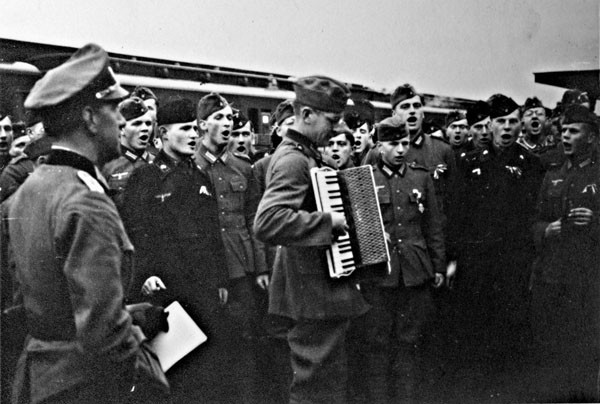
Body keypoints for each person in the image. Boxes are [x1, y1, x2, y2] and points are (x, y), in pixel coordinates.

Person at [8, 43, 168, 404]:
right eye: (113, 108)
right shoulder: (87, 202)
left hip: (43, 377)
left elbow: (54, 300)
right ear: (90, 118)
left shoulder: (34, 187)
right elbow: (103, 334)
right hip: (87, 384)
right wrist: (151, 376)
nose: (122, 120)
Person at [254, 75, 369, 404]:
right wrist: (327, 222)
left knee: (325, 384)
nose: (335, 130)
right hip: (311, 292)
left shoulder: (306, 154)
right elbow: (268, 221)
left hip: (318, 290)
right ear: (306, 115)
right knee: (315, 388)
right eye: (331, 121)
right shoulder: (293, 160)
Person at [122, 96, 236, 403]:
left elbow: (212, 234)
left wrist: (221, 279)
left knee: (206, 368)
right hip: (165, 289)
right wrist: (143, 275)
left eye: (194, 129)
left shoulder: (198, 176)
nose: (193, 135)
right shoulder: (145, 178)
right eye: (184, 129)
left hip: (202, 287)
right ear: (162, 136)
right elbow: (133, 232)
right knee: (175, 374)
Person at [356, 116, 445, 404]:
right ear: (379, 145)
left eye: (405, 143)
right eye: (393, 144)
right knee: (377, 345)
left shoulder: (421, 176)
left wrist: (439, 266)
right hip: (379, 274)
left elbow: (433, 225)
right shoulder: (364, 178)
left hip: (415, 272)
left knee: (409, 343)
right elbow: (358, 231)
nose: (400, 150)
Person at [452, 94, 543, 358]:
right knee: (474, 327)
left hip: (512, 262)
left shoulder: (532, 165)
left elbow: (532, 215)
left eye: (513, 121)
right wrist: (454, 258)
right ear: (490, 125)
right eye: (501, 121)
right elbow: (458, 214)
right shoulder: (469, 162)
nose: (506, 127)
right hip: (475, 261)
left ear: (520, 126)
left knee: (507, 330)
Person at [529, 105, 600, 402]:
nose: (566, 137)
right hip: (552, 277)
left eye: (574, 131)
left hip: (587, 280)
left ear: (592, 137)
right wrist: (546, 230)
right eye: (564, 131)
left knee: (583, 355)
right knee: (550, 352)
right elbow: (534, 222)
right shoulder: (552, 176)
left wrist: (596, 223)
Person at [102, 96, 155, 209]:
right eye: (137, 124)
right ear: (121, 129)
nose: (145, 128)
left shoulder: (158, 162)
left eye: (148, 124)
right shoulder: (108, 166)